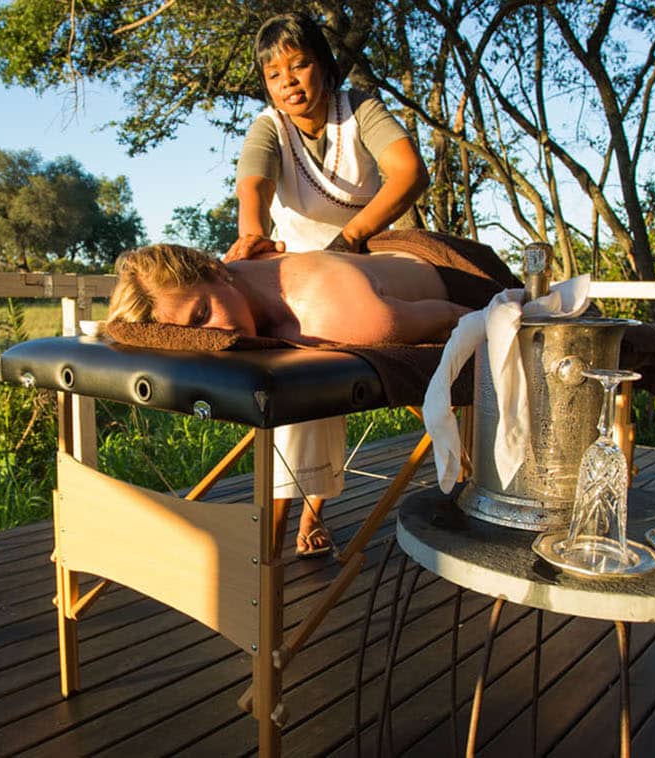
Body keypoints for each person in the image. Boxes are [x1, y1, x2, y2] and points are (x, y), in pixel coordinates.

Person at [223, 11, 430, 558]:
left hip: (365, 258)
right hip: (293, 267)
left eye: (299, 65)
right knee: (299, 372)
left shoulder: (359, 107)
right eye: (274, 74)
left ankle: (292, 518)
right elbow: (255, 187)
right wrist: (251, 237)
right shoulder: (270, 127)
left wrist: (354, 237)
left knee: (322, 364)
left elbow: (409, 171)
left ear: (325, 65)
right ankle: (287, 517)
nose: (288, 81)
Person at [106, 243, 469, 346]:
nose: (212, 339)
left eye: (202, 315)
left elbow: (460, 318)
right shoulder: (245, 268)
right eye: (191, 337)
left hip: (455, 270)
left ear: (215, 269)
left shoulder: (333, 316)